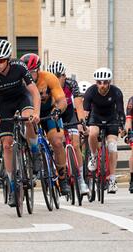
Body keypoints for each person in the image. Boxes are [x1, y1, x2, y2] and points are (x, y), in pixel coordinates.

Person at [0, 40, 41, 207]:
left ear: (7, 59)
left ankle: (35, 152)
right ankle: (13, 187)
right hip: (4, 104)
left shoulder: (19, 67)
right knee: (6, 145)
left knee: (28, 119)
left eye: (1, 60)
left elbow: (34, 92)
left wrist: (36, 113)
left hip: (22, 98)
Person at [21, 53, 70, 196]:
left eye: (32, 72)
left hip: (48, 112)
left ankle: (62, 178)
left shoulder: (48, 78)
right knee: (27, 128)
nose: (29, 75)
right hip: (29, 114)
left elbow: (62, 100)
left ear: (38, 70)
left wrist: (57, 111)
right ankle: (34, 155)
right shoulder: (19, 81)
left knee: (57, 142)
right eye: (26, 72)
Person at [47, 60, 89, 195]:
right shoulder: (48, 85)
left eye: (58, 76)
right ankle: (57, 172)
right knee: (56, 143)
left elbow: (78, 104)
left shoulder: (71, 84)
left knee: (75, 144)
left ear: (64, 76)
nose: (56, 79)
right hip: (55, 113)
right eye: (53, 76)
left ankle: (81, 180)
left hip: (69, 113)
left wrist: (82, 122)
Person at [85, 67, 125, 194]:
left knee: (112, 146)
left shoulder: (116, 92)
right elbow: (86, 112)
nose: (102, 85)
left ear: (109, 82)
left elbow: (120, 111)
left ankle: (112, 180)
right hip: (95, 117)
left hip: (111, 118)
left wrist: (122, 126)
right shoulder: (90, 91)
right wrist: (84, 125)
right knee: (92, 133)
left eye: (105, 82)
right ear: (96, 82)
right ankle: (93, 156)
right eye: (99, 82)